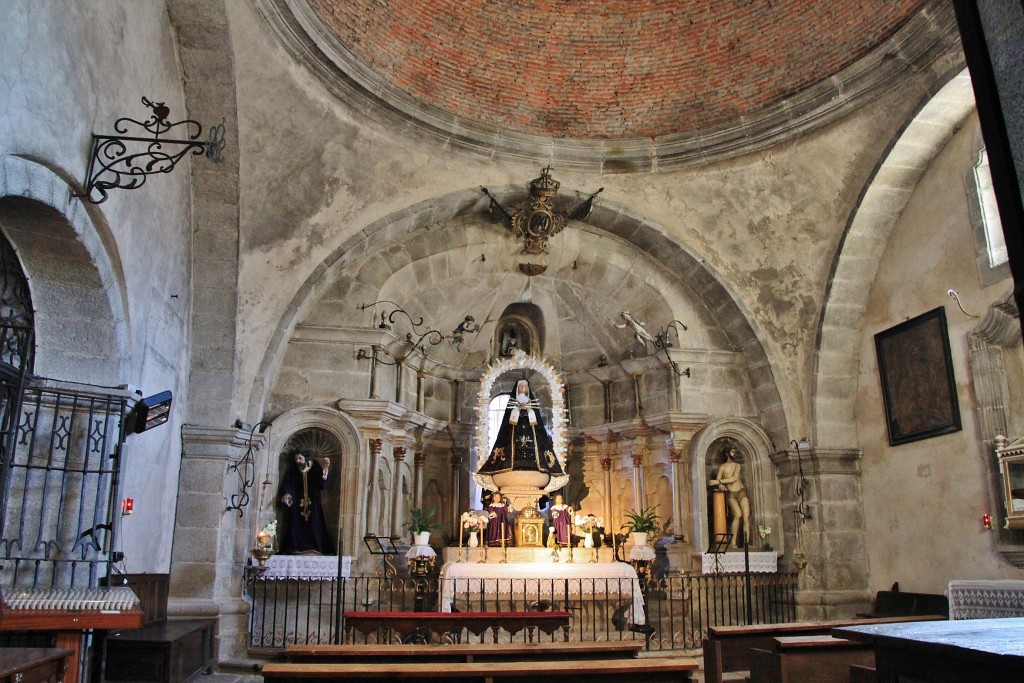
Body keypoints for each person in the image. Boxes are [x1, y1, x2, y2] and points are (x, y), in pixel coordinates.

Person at [477, 379, 565, 479]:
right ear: (517, 388)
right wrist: (517, 410)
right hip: (515, 429)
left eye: (525, 386)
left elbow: (537, 420)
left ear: (527, 388)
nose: (523, 388)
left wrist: (528, 410)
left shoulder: (530, 401)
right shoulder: (513, 401)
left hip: (530, 429)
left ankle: (534, 465)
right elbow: (508, 420)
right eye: (521, 386)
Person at [278, 451, 333, 555]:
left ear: (306, 458)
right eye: (296, 459)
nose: (298, 461)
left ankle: (315, 548)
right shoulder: (293, 470)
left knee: (315, 524)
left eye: (300, 458)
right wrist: (287, 494)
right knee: (295, 524)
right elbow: (287, 485)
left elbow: (322, 485)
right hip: (297, 505)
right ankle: (296, 548)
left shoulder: (315, 467)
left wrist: (325, 469)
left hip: (314, 504)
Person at [708, 446, 750, 548]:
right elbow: (718, 478)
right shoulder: (722, 467)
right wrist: (720, 484)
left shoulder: (737, 465)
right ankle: (733, 542)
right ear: (727, 454)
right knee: (738, 515)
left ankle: (746, 544)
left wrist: (719, 482)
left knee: (746, 517)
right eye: (732, 451)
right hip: (731, 493)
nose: (734, 454)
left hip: (741, 491)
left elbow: (735, 478)